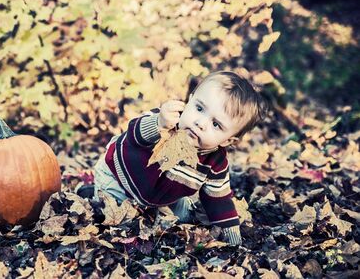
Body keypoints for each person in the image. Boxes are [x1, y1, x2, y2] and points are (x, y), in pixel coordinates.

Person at [77, 71, 267, 246]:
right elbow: (134, 134)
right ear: (190, 100)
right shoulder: (165, 122)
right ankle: (92, 195)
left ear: (228, 140)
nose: (200, 123)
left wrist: (232, 236)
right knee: (117, 220)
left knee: (186, 216)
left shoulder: (215, 162)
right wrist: (158, 123)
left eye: (216, 124)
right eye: (199, 109)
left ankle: (148, 209)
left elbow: (219, 198)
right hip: (119, 178)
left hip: (160, 198)